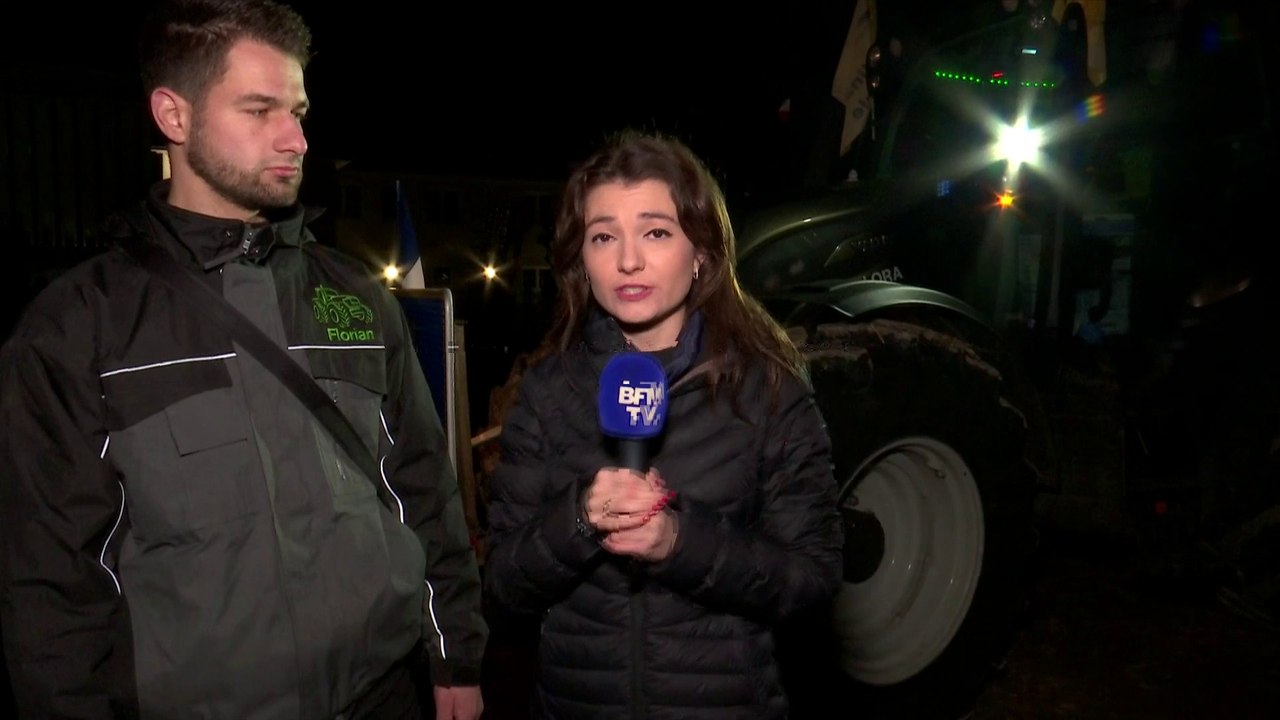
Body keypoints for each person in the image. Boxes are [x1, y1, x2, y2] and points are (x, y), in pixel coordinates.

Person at [0, 1, 487, 718]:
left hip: (384, 695)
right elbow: (52, 584)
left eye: (297, 110)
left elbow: (423, 490)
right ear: (173, 115)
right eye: (260, 110)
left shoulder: (352, 293)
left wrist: (455, 658)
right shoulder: (77, 325)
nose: (295, 138)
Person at [483, 130, 845, 719]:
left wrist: (681, 542)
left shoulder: (768, 391)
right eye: (604, 237)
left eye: (655, 232)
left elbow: (812, 581)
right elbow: (502, 589)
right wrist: (578, 518)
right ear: (582, 260)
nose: (629, 260)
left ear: (700, 250)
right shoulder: (548, 393)